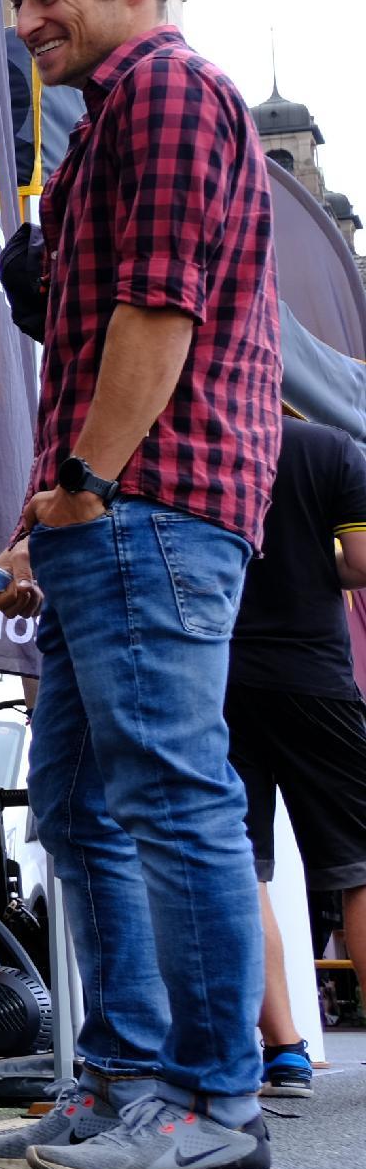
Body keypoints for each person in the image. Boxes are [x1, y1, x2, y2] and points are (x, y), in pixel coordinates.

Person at [0, 0, 284, 1169]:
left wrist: (89, 483)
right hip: (114, 510)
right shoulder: (109, 118)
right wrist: (44, 514)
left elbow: (160, 313)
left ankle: (214, 1104)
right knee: (80, 808)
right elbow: (96, 340)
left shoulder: (162, 91)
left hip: (150, 503)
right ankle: (123, 1083)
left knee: (165, 795)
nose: (27, 19)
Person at [223, 413, 366, 1098]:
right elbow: (363, 562)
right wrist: (314, 559)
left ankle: (283, 1051)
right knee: (360, 864)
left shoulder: (195, 445)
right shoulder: (329, 449)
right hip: (314, 678)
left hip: (216, 680)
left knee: (241, 867)